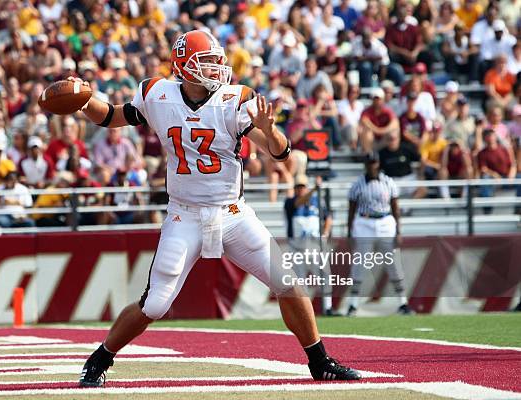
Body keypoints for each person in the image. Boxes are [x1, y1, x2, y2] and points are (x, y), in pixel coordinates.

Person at [73, 30, 360, 387]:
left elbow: (281, 152)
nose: (217, 66)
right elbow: (113, 116)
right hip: (185, 214)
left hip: (233, 214)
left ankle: (320, 362)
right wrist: (83, 102)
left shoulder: (234, 99)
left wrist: (269, 131)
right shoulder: (157, 94)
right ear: (184, 65)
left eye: (216, 58)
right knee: (156, 305)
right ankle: (99, 359)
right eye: (207, 60)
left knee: (288, 282)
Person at [347, 151, 413, 316]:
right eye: (369, 163)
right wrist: (350, 231)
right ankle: (353, 304)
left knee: (393, 263)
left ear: (379, 163)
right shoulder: (357, 184)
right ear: (365, 165)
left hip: (385, 221)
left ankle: (403, 302)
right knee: (360, 264)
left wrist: (399, 230)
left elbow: (395, 207)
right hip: (364, 221)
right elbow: (351, 209)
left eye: (374, 162)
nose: (372, 166)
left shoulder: (388, 182)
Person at [284, 175, 339, 316]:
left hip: (315, 245)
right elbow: (299, 203)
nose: (300, 190)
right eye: (298, 187)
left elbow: (328, 218)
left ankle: (327, 308)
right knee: (300, 281)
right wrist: (315, 188)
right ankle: (305, 312)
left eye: (302, 187)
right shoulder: (289, 202)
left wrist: (325, 234)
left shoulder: (317, 201)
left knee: (325, 276)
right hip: (297, 247)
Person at [358, 88, 399, 152]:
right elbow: (364, 121)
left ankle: (392, 154)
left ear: (382, 99)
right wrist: (377, 130)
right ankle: (369, 155)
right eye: (375, 99)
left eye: (379, 99)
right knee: (367, 133)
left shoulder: (387, 111)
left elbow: (395, 123)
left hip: (383, 137)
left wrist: (383, 130)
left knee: (394, 133)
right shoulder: (366, 111)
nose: (377, 101)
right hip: (373, 139)